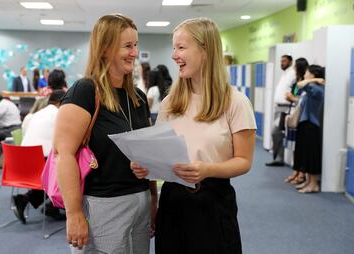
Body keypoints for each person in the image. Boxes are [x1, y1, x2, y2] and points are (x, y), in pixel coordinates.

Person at [131, 17, 256, 253]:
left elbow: (244, 161)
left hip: (213, 203)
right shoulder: (170, 102)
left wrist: (208, 169)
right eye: (173, 47)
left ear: (205, 49)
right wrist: (145, 166)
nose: (174, 55)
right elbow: (158, 154)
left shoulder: (236, 102)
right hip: (173, 201)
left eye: (181, 47)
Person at [54, 14, 156, 253]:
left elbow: (147, 154)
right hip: (103, 205)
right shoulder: (85, 91)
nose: (134, 53)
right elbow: (64, 153)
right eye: (128, 46)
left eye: (136, 46)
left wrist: (153, 200)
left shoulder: (138, 98)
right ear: (105, 49)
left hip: (140, 201)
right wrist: (74, 213)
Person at [11, 90, 67, 224]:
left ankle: (29, 200)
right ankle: (54, 205)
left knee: (56, 168)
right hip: (40, 166)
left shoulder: (37, 114)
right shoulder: (59, 114)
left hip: (21, 164)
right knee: (70, 168)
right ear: (61, 102)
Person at [292, 65, 325, 193]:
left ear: (313, 74)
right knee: (306, 155)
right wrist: (314, 80)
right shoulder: (313, 86)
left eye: (307, 72)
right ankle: (308, 181)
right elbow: (298, 87)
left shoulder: (317, 89)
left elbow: (300, 84)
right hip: (305, 124)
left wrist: (313, 81)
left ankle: (314, 184)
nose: (305, 74)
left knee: (312, 156)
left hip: (311, 125)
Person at [266, 54, 296, 166]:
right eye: (281, 61)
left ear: (290, 62)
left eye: (284, 61)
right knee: (276, 133)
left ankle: (278, 158)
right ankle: (278, 157)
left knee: (276, 132)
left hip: (285, 108)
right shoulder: (284, 74)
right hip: (278, 107)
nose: (282, 63)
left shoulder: (292, 73)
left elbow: (294, 89)